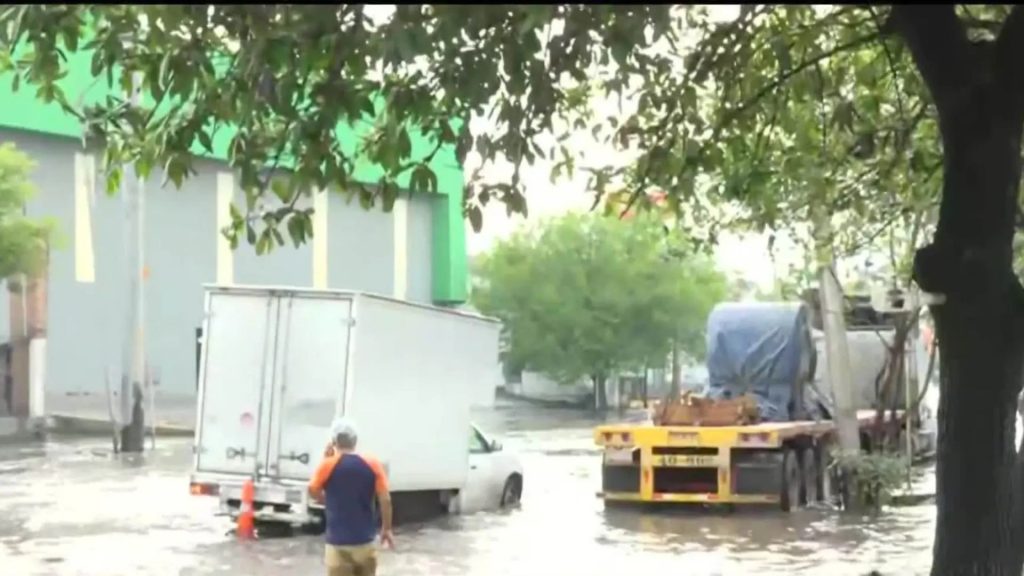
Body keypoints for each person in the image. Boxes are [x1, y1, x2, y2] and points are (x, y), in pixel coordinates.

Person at [309, 417, 394, 576]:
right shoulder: (372, 463)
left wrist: (327, 500)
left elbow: (312, 490)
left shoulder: (327, 464)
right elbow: (385, 499)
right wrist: (386, 529)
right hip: (365, 542)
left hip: (337, 545)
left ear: (334, 441)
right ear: (355, 440)